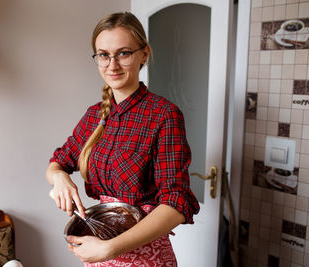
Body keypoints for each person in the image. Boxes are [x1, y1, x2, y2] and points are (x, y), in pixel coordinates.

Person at [46, 11, 199, 266]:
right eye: (104, 55)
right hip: (99, 250)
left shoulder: (164, 115)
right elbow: (58, 162)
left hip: (143, 256)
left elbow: (176, 203)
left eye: (123, 53)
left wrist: (110, 249)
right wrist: (60, 178)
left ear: (144, 54)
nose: (112, 65)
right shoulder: (95, 114)